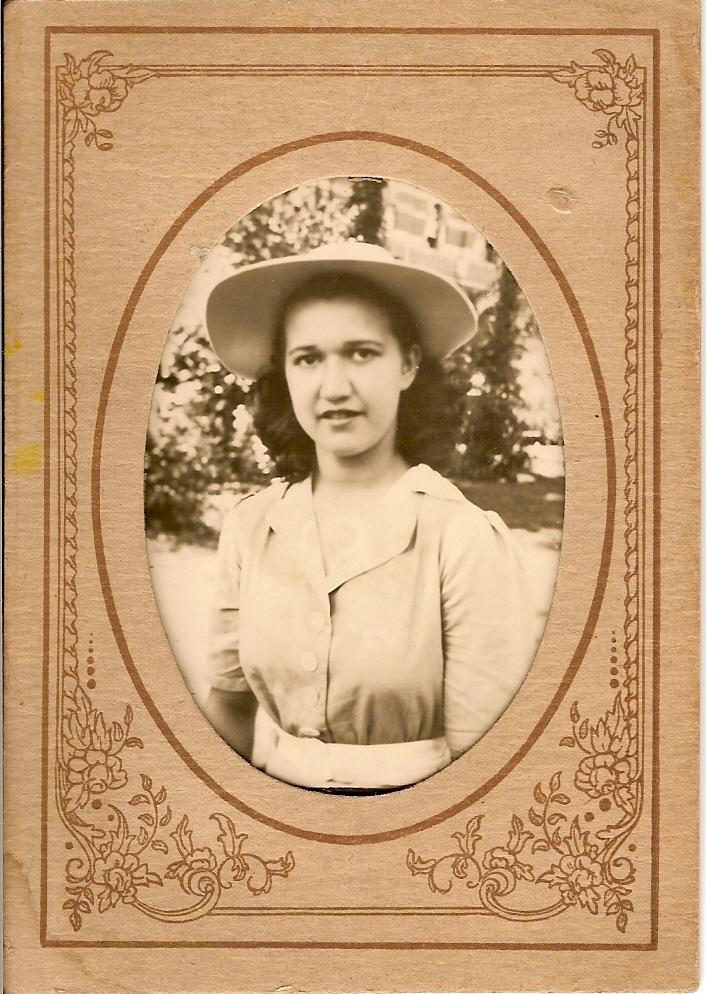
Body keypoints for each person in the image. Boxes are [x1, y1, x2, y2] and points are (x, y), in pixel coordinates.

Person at [202, 239, 534, 792]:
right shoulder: (252, 527)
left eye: (362, 352)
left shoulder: (459, 537)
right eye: (308, 358)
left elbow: (487, 772)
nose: (334, 388)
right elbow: (228, 713)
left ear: (407, 364)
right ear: (285, 373)